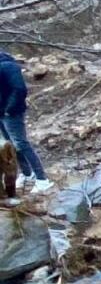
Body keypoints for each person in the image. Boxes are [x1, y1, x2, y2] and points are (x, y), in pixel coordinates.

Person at [0, 51, 52, 194]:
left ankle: (42, 180)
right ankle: (27, 174)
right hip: (2, 113)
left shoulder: (8, 66)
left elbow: (19, 89)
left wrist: (9, 109)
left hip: (11, 113)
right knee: (11, 145)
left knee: (21, 144)